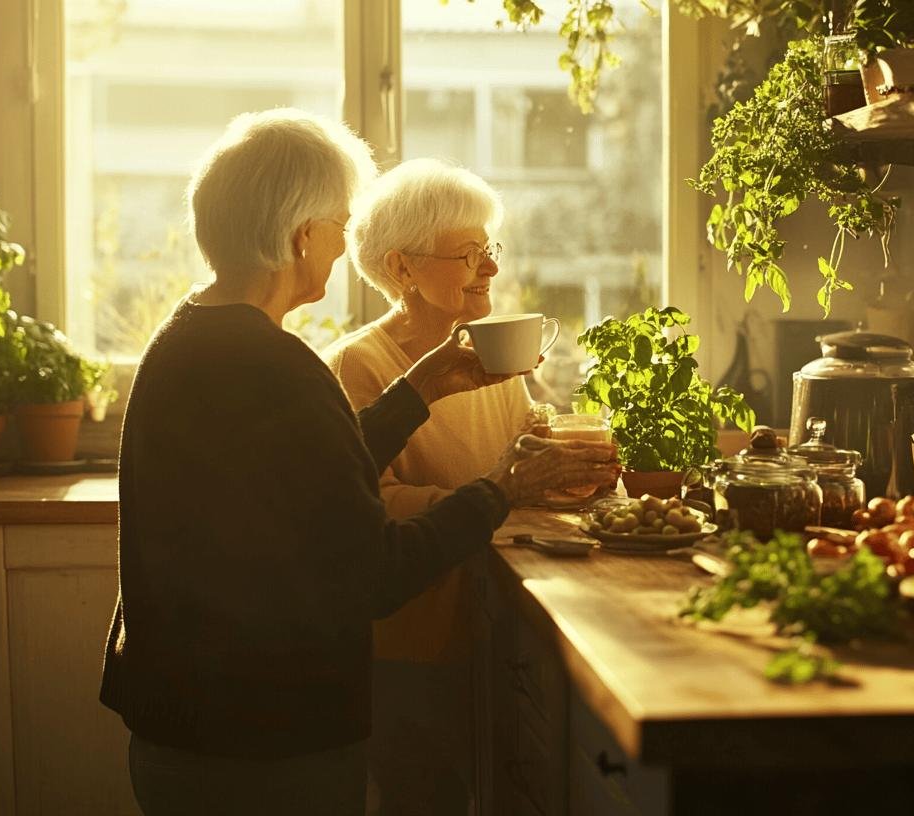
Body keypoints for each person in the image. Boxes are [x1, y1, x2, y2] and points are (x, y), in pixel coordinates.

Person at [99, 109, 617, 816]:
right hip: (262, 745)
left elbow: (308, 473)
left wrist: (421, 388)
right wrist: (501, 489)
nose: (346, 246)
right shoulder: (277, 367)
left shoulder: (191, 339)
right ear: (300, 234)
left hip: (191, 727)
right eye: (340, 225)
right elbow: (373, 571)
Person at [322, 158, 619, 814]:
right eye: (468, 253)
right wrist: (502, 492)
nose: (489, 268)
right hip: (413, 645)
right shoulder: (356, 367)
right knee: (424, 800)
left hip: (496, 623)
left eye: (489, 249)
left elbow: (520, 460)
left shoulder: (493, 358)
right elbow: (364, 507)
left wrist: (572, 469)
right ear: (402, 269)